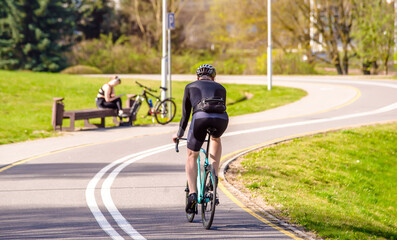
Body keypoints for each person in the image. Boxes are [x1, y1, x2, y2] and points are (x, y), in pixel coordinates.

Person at [172, 64, 229, 214]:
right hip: (221, 119)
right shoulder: (221, 88)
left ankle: (192, 194)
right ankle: (214, 175)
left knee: (192, 155)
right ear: (214, 77)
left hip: (200, 118)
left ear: (197, 77)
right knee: (216, 139)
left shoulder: (190, 87)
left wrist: (179, 133)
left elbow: (185, 115)